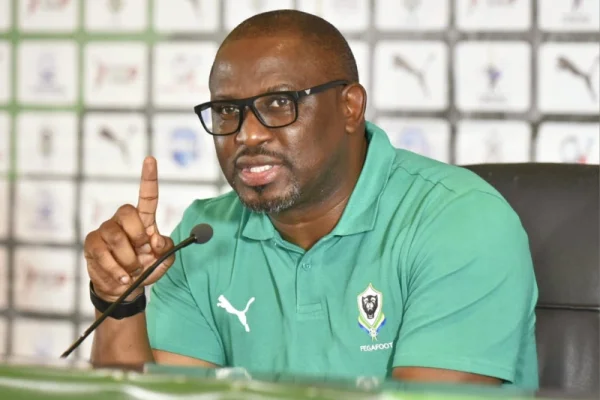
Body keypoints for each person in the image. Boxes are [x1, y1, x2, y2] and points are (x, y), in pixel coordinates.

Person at [84, 10, 539, 389]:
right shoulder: (205, 235)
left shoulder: (460, 221)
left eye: (279, 103)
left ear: (350, 107)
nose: (247, 134)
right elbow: (151, 396)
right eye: (226, 111)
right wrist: (120, 298)